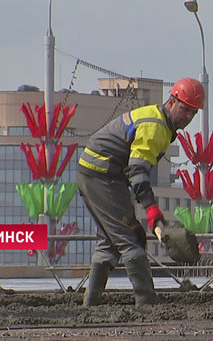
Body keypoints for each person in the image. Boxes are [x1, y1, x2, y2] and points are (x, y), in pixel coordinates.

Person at [77, 78, 204, 306]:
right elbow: (137, 169)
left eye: (193, 113)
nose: (188, 117)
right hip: (101, 173)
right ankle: (146, 301)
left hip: (101, 173)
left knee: (109, 241)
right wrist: (152, 209)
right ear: (172, 101)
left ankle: (91, 302)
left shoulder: (161, 124)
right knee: (130, 239)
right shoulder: (155, 126)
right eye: (185, 109)